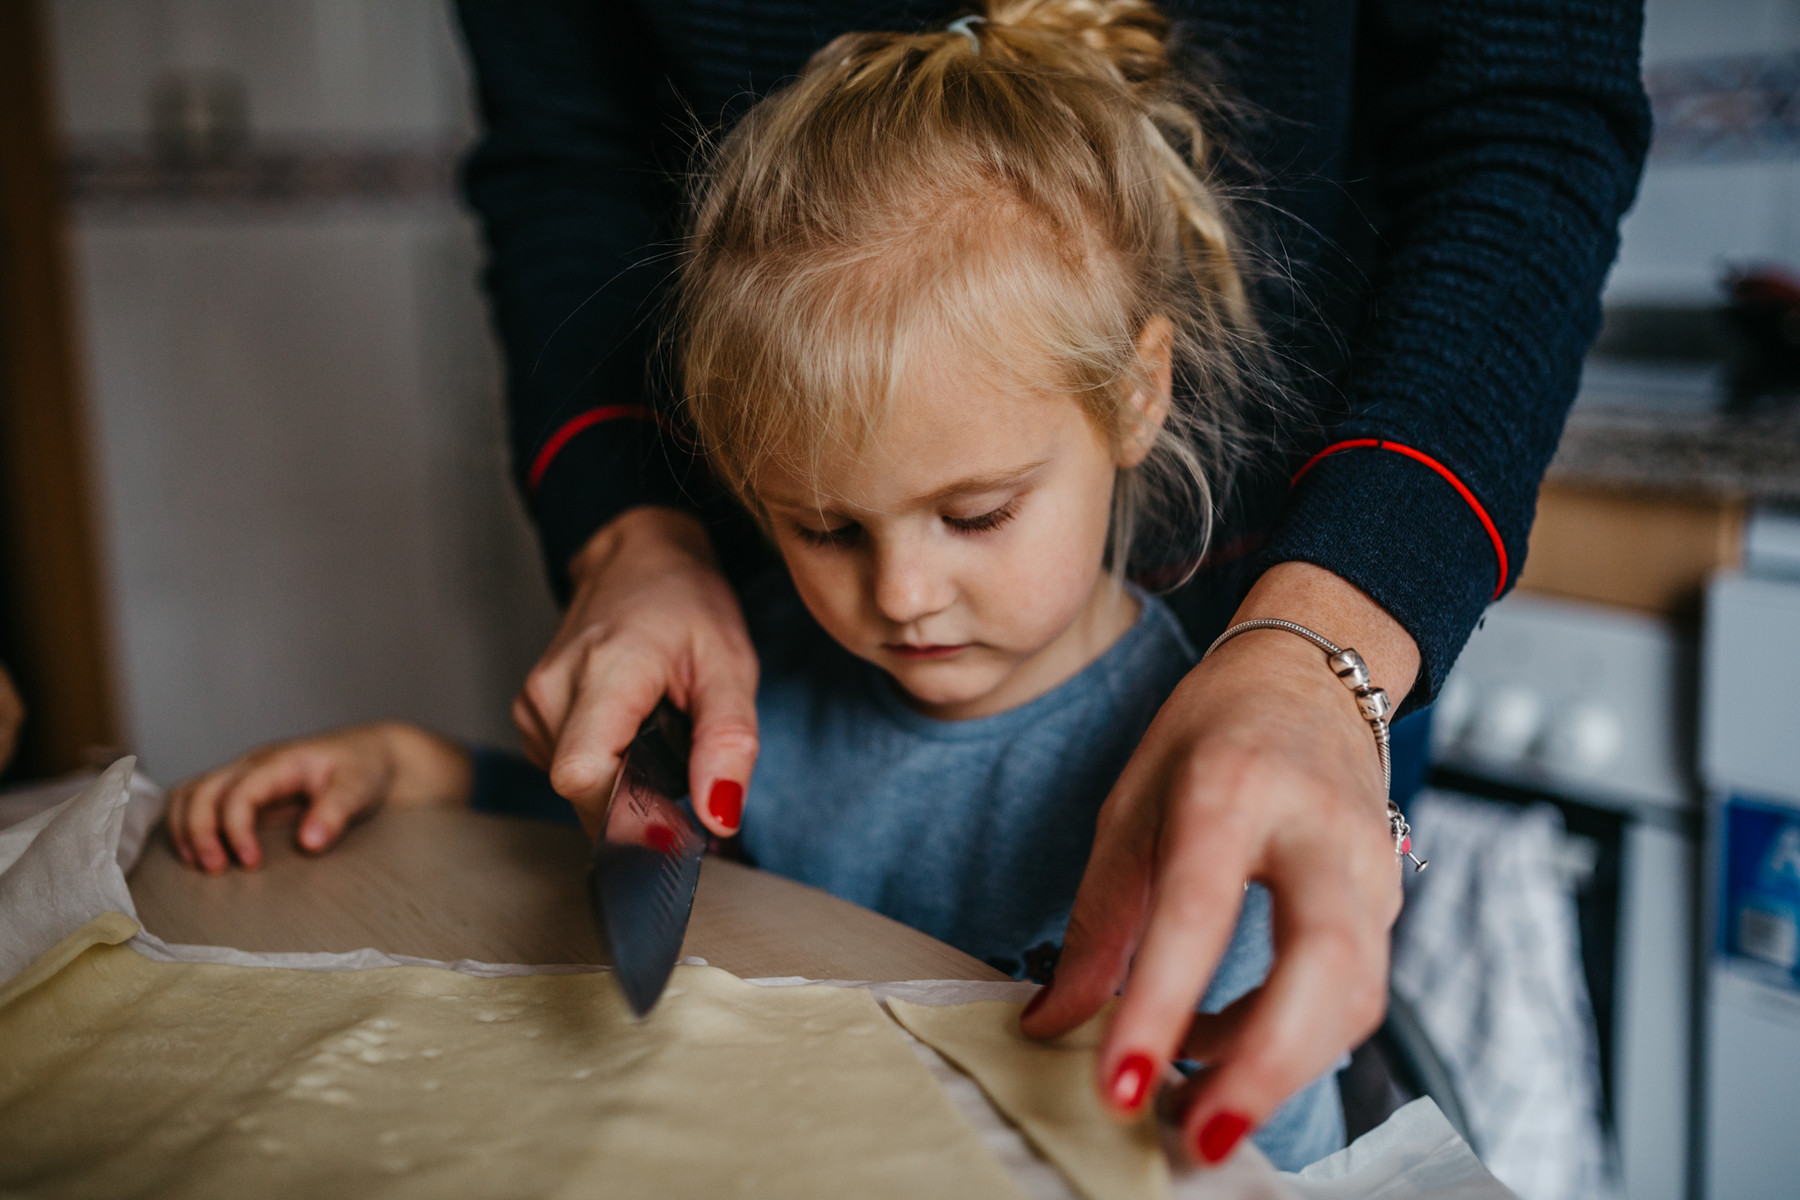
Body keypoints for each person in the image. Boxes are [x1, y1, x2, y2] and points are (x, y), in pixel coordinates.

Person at [179, 0, 1654, 1170]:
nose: (901, 597)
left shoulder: (1195, 760)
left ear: (1137, 400)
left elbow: (1246, 1135)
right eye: (823, 528)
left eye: (976, 512)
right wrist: (434, 771)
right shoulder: (765, 678)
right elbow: (643, 837)